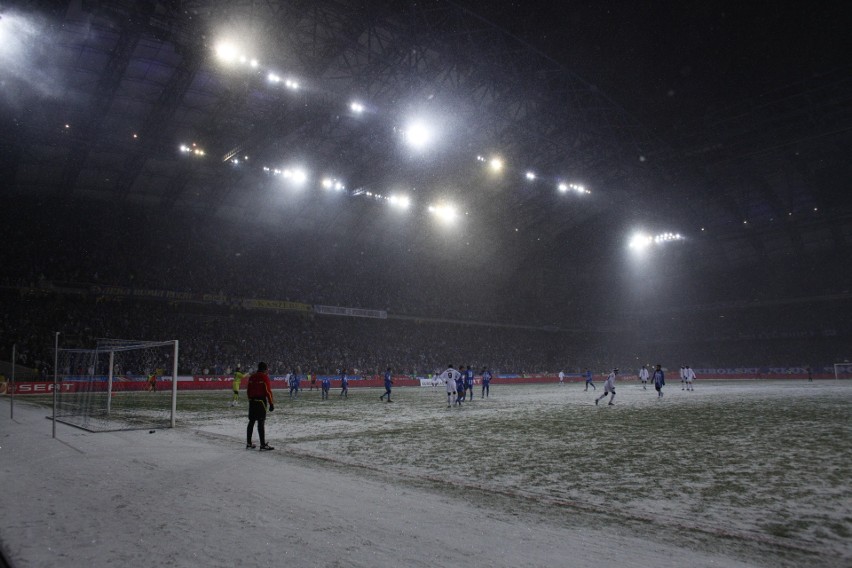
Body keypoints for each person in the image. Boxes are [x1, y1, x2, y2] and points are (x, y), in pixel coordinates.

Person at [246, 361, 275, 451]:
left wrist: (250, 399)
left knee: (251, 422)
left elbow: (248, 390)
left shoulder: (252, 377)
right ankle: (262, 444)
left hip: (252, 402)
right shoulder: (264, 377)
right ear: (265, 369)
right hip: (260, 402)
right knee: (261, 422)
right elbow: (268, 391)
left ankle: (249, 443)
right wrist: (271, 403)